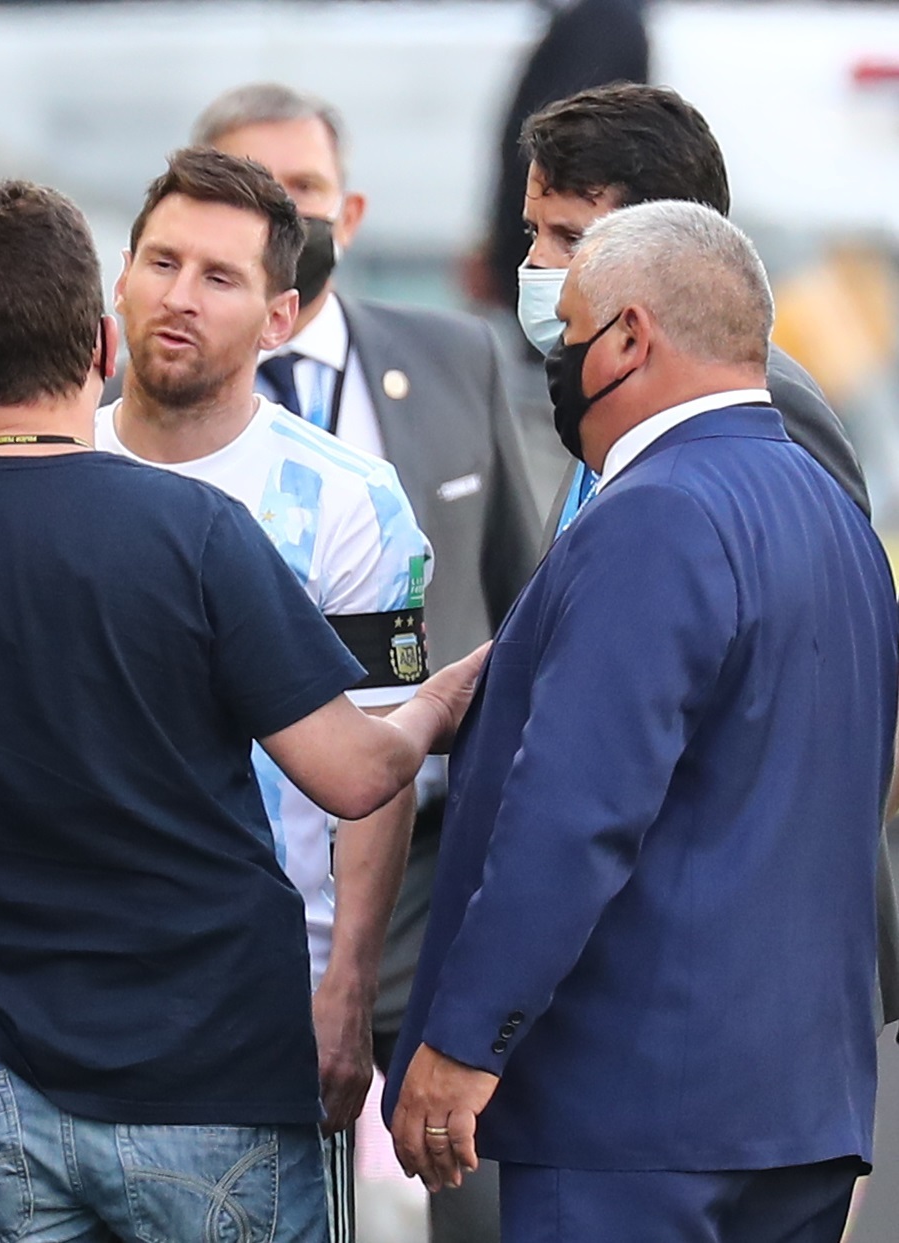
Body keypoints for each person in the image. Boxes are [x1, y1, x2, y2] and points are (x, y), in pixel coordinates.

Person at [0, 177, 486, 1243]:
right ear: (101, 342)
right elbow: (354, 773)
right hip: (206, 1069)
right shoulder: (199, 532)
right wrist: (444, 698)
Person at [388, 200, 898, 1242]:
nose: (555, 359)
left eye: (571, 332)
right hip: (796, 1110)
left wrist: (466, 1039)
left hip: (633, 1114)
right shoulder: (836, 519)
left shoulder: (655, 510)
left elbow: (573, 814)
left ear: (629, 338)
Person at [193, 88, 542, 1235]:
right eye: (253, 187)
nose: (284, 212)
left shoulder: (454, 357)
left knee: (481, 1198)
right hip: (229, 879)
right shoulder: (133, 402)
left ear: (348, 209)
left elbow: (524, 596)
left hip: (437, 870)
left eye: (303, 189)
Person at [97, 145, 433, 1242]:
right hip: (52, 1003)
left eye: (220, 276)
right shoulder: (48, 463)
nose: (179, 297)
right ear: (120, 278)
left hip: (260, 1012)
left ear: (281, 316)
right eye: (162, 262)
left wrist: (348, 986)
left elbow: (379, 764)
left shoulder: (348, 500)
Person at [516, 83, 869, 528]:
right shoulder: (609, 389)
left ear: (670, 242)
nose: (536, 260)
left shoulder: (761, 399)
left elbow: (827, 555)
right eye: (534, 232)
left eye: (571, 238)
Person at [472, 0, 649, 312]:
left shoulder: (604, 21)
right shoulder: (595, 19)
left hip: (563, 270)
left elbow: (569, 147)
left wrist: (516, 245)